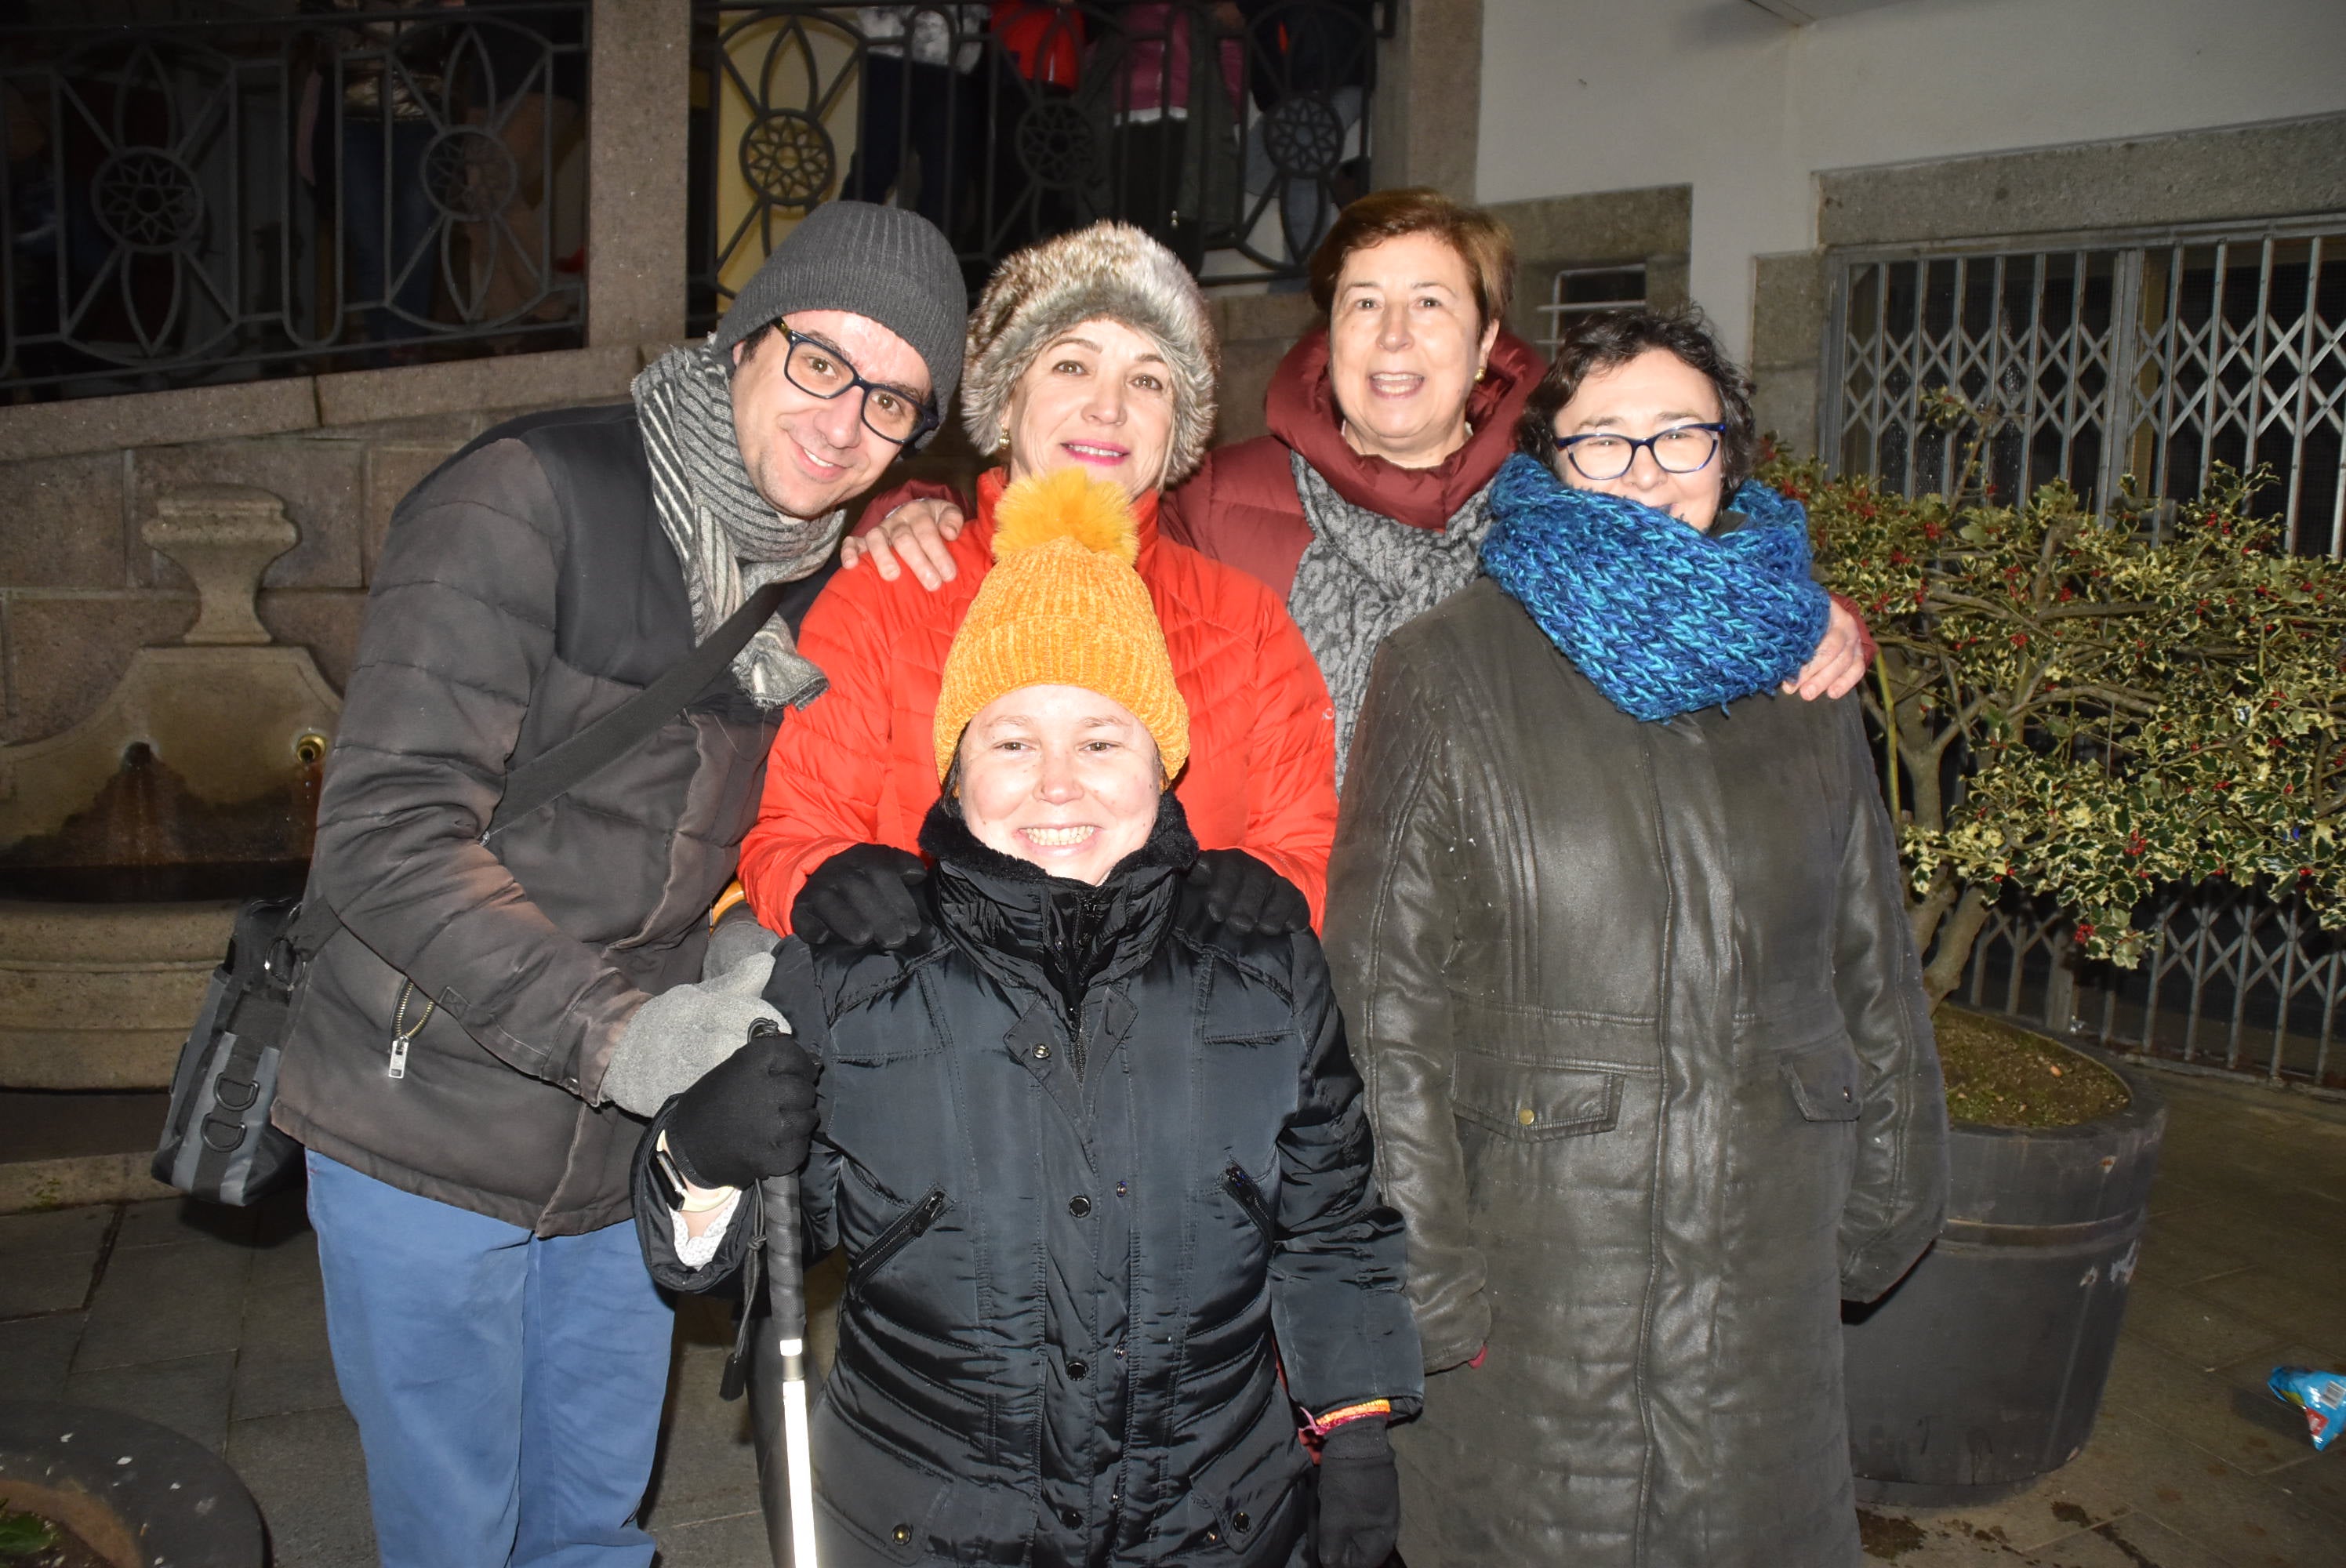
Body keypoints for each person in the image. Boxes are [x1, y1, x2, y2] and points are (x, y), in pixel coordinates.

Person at [271, 201, 968, 1568]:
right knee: (457, 1536)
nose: (843, 421)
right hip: (427, 1122)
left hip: (627, 1154)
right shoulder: (532, 496)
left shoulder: (816, 579)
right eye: (821, 360)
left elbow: (752, 844)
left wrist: (736, 968)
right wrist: (630, 1033)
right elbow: (386, 829)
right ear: (741, 339)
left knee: (592, 1525)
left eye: (894, 400)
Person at [639, 466, 1422, 1566]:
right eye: (1012, 743)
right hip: (927, 1532)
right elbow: (734, 1266)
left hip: (1219, 1529)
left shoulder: (1265, 966)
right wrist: (699, 1156)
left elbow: (1332, 1228)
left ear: (1164, 765)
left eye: (1102, 741)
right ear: (956, 775)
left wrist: (1353, 1431)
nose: (1058, 784)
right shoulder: (858, 971)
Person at [1322, 306, 1950, 1566]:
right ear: (1548, 464)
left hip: (1764, 1278)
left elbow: (1871, 967)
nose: (1649, 473)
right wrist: (1427, 1285)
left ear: (1734, 457)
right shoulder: (1449, 670)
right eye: (1603, 442)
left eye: (1682, 437)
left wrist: (1890, 1200)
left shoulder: (1807, 675)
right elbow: (1383, 1006)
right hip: (1543, 1293)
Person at [846, 187, 1869, 779]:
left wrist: (1808, 618)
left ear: (1483, 349)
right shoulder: (1220, 494)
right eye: (1362, 304)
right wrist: (907, 505)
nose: (1392, 337)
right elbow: (1082, 534)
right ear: (1325, 338)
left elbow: (1685, 553)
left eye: (1430, 303)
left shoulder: (1558, 508)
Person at [733, 220, 1336, 952]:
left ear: (1178, 427)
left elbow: (1308, 847)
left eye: (1147, 380)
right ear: (1008, 400)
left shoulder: (1246, 622)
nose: (1108, 407)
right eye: (1072, 366)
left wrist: (1277, 884)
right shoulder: (887, 591)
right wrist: (828, 881)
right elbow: (790, 837)